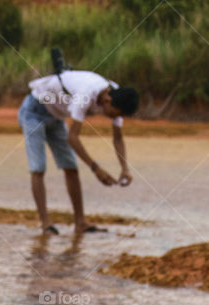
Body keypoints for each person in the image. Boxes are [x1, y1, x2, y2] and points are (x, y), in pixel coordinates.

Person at [18, 69, 138, 235]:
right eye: (114, 113)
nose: (113, 117)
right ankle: (46, 224)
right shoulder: (86, 94)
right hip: (34, 111)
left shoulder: (116, 94)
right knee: (38, 167)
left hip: (57, 116)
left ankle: (80, 223)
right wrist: (96, 168)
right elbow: (72, 138)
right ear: (108, 100)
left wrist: (125, 168)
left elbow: (117, 138)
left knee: (71, 168)